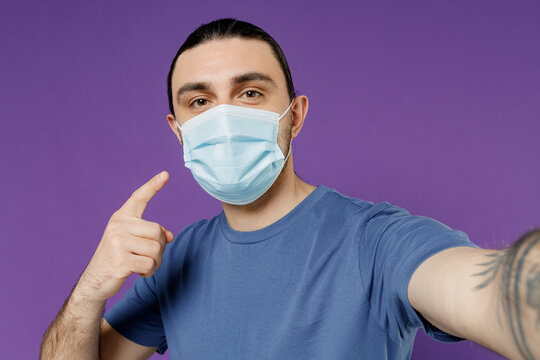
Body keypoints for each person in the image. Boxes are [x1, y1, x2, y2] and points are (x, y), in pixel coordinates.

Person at [40, 18, 540, 360]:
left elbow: (491, 292)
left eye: (250, 93)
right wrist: (89, 291)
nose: (225, 118)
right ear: (178, 129)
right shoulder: (175, 260)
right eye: (200, 101)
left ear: (294, 115)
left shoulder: (375, 241)